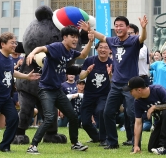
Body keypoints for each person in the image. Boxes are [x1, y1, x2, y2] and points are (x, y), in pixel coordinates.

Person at [78, 15, 148, 150]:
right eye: (116, 26)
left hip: (130, 85)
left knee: (132, 114)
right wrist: (90, 30)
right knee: (107, 112)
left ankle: (135, 143)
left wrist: (144, 28)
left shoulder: (133, 41)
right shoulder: (113, 41)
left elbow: (142, 38)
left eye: (121, 25)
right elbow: (102, 37)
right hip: (115, 84)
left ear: (127, 28)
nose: (118, 28)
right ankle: (112, 142)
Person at [25, 25, 94, 154]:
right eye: (72, 37)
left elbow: (84, 54)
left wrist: (90, 40)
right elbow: (41, 48)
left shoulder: (70, 52)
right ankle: (32, 146)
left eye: (76, 37)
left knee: (73, 116)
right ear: (64, 37)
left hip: (57, 90)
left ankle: (75, 143)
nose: (75, 40)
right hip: (46, 89)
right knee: (50, 117)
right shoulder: (57, 47)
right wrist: (32, 53)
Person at [124, 76, 166, 155]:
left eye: (131, 91)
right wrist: (136, 145)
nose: (130, 93)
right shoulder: (137, 102)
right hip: (162, 121)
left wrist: (155, 107)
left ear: (139, 90)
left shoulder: (157, 89)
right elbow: (138, 123)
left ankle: (164, 148)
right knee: (152, 147)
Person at [79, 41, 112, 146]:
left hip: (104, 94)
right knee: (84, 121)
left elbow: (113, 80)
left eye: (106, 48)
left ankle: (103, 139)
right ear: (96, 49)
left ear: (110, 50)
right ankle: (96, 137)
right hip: (89, 94)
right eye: (100, 47)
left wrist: (110, 74)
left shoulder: (112, 63)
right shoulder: (89, 60)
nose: (103, 50)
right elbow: (81, 77)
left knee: (101, 111)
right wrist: (87, 71)